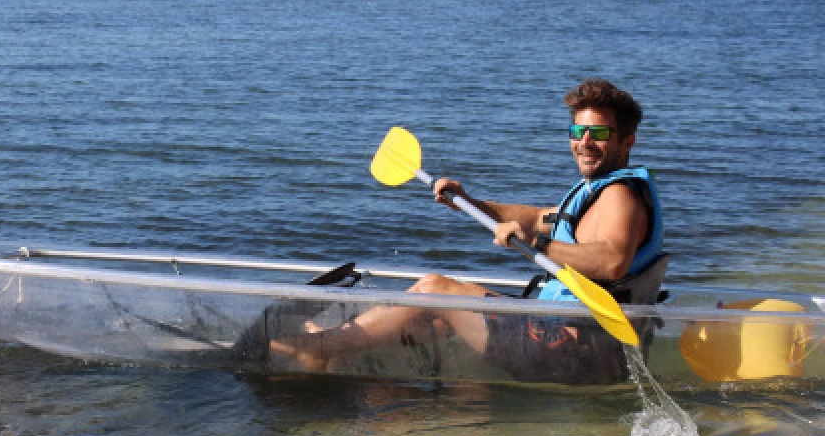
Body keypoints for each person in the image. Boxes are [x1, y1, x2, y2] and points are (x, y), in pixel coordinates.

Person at [271, 78, 666, 384]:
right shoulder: (596, 193)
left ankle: (319, 349)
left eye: (598, 134)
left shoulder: (620, 196)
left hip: (571, 349)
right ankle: (341, 350)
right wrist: (469, 201)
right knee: (437, 320)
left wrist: (539, 244)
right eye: (577, 132)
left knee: (436, 290)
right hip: (573, 342)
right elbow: (536, 218)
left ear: (627, 141)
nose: (584, 143)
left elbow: (613, 262)